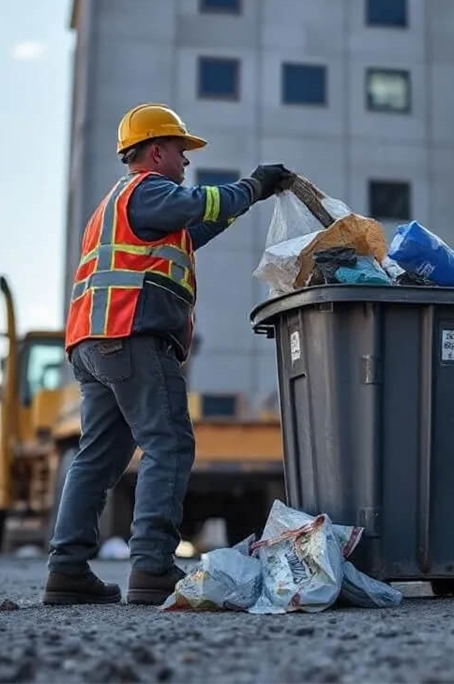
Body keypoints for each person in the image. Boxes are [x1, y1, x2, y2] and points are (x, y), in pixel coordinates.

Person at [43, 103, 292, 606]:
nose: (186, 162)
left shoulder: (120, 204)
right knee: (169, 444)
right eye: (182, 151)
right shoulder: (150, 190)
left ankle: (66, 570)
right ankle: (153, 566)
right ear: (156, 151)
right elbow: (198, 204)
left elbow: (194, 227)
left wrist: (241, 204)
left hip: (94, 343)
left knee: (96, 457)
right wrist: (255, 186)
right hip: (133, 334)